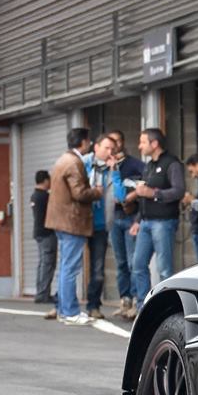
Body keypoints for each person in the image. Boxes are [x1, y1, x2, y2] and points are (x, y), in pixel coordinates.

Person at [47, 128, 98, 326]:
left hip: (60, 221)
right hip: (72, 221)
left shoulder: (62, 159)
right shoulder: (74, 163)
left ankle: (63, 308)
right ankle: (70, 311)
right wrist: (96, 192)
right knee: (70, 267)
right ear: (83, 142)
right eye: (89, 141)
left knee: (65, 266)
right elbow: (79, 193)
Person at [128, 126, 184, 297]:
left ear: (155, 143)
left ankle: (168, 307)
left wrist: (155, 193)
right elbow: (144, 195)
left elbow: (179, 191)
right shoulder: (148, 166)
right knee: (138, 265)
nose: (139, 146)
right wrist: (137, 220)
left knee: (164, 269)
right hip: (145, 221)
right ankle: (142, 307)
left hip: (163, 222)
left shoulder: (172, 163)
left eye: (143, 142)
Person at [105, 130, 143, 317]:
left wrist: (132, 195)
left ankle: (137, 301)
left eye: (117, 141)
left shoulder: (135, 164)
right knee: (120, 262)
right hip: (114, 219)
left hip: (130, 217)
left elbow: (146, 184)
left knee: (132, 261)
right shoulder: (106, 167)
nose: (114, 146)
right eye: (109, 143)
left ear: (122, 143)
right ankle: (125, 300)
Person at [82, 133, 118, 320]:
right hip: (80, 222)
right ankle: (61, 304)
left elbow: (119, 196)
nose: (109, 152)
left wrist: (115, 171)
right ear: (96, 147)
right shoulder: (82, 163)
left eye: (112, 149)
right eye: (106, 148)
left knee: (97, 270)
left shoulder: (112, 169)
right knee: (70, 266)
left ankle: (93, 305)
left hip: (101, 225)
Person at [30, 170, 56, 310]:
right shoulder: (45, 197)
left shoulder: (34, 196)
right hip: (47, 233)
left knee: (42, 263)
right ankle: (43, 294)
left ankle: (40, 291)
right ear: (46, 180)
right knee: (48, 263)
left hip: (38, 232)